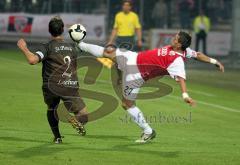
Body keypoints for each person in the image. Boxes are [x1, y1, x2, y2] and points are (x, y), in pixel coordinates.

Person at [76, 31, 224, 143]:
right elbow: (198, 54)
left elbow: (181, 79)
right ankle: (80, 45)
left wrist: (185, 95)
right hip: (135, 57)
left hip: (136, 74)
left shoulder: (177, 60)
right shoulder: (184, 50)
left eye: (175, 38)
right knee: (109, 52)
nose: (173, 38)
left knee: (126, 104)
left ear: (179, 44)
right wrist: (214, 61)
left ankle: (148, 131)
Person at [17, 16, 88, 144]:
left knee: (52, 108)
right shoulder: (72, 48)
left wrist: (24, 48)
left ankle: (57, 137)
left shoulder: (47, 47)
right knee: (83, 114)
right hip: (69, 85)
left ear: (49, 30)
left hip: (51, 86)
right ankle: (75, 120)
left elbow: (32, 60)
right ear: (62, 30)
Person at [106, 0, 142, 85]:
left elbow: (138, 29)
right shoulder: (118, 15)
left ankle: (129, 78)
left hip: (130, 39)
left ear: (130, 7)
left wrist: (139, 40)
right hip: (120, 39)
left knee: (129, 60)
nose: (125, 7)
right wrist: (110, 41)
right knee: (117, 60)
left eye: (127, 5)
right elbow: (115, 29)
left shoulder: (134, 16)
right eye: (124, 5)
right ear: (122, 6)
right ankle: (120, 77)